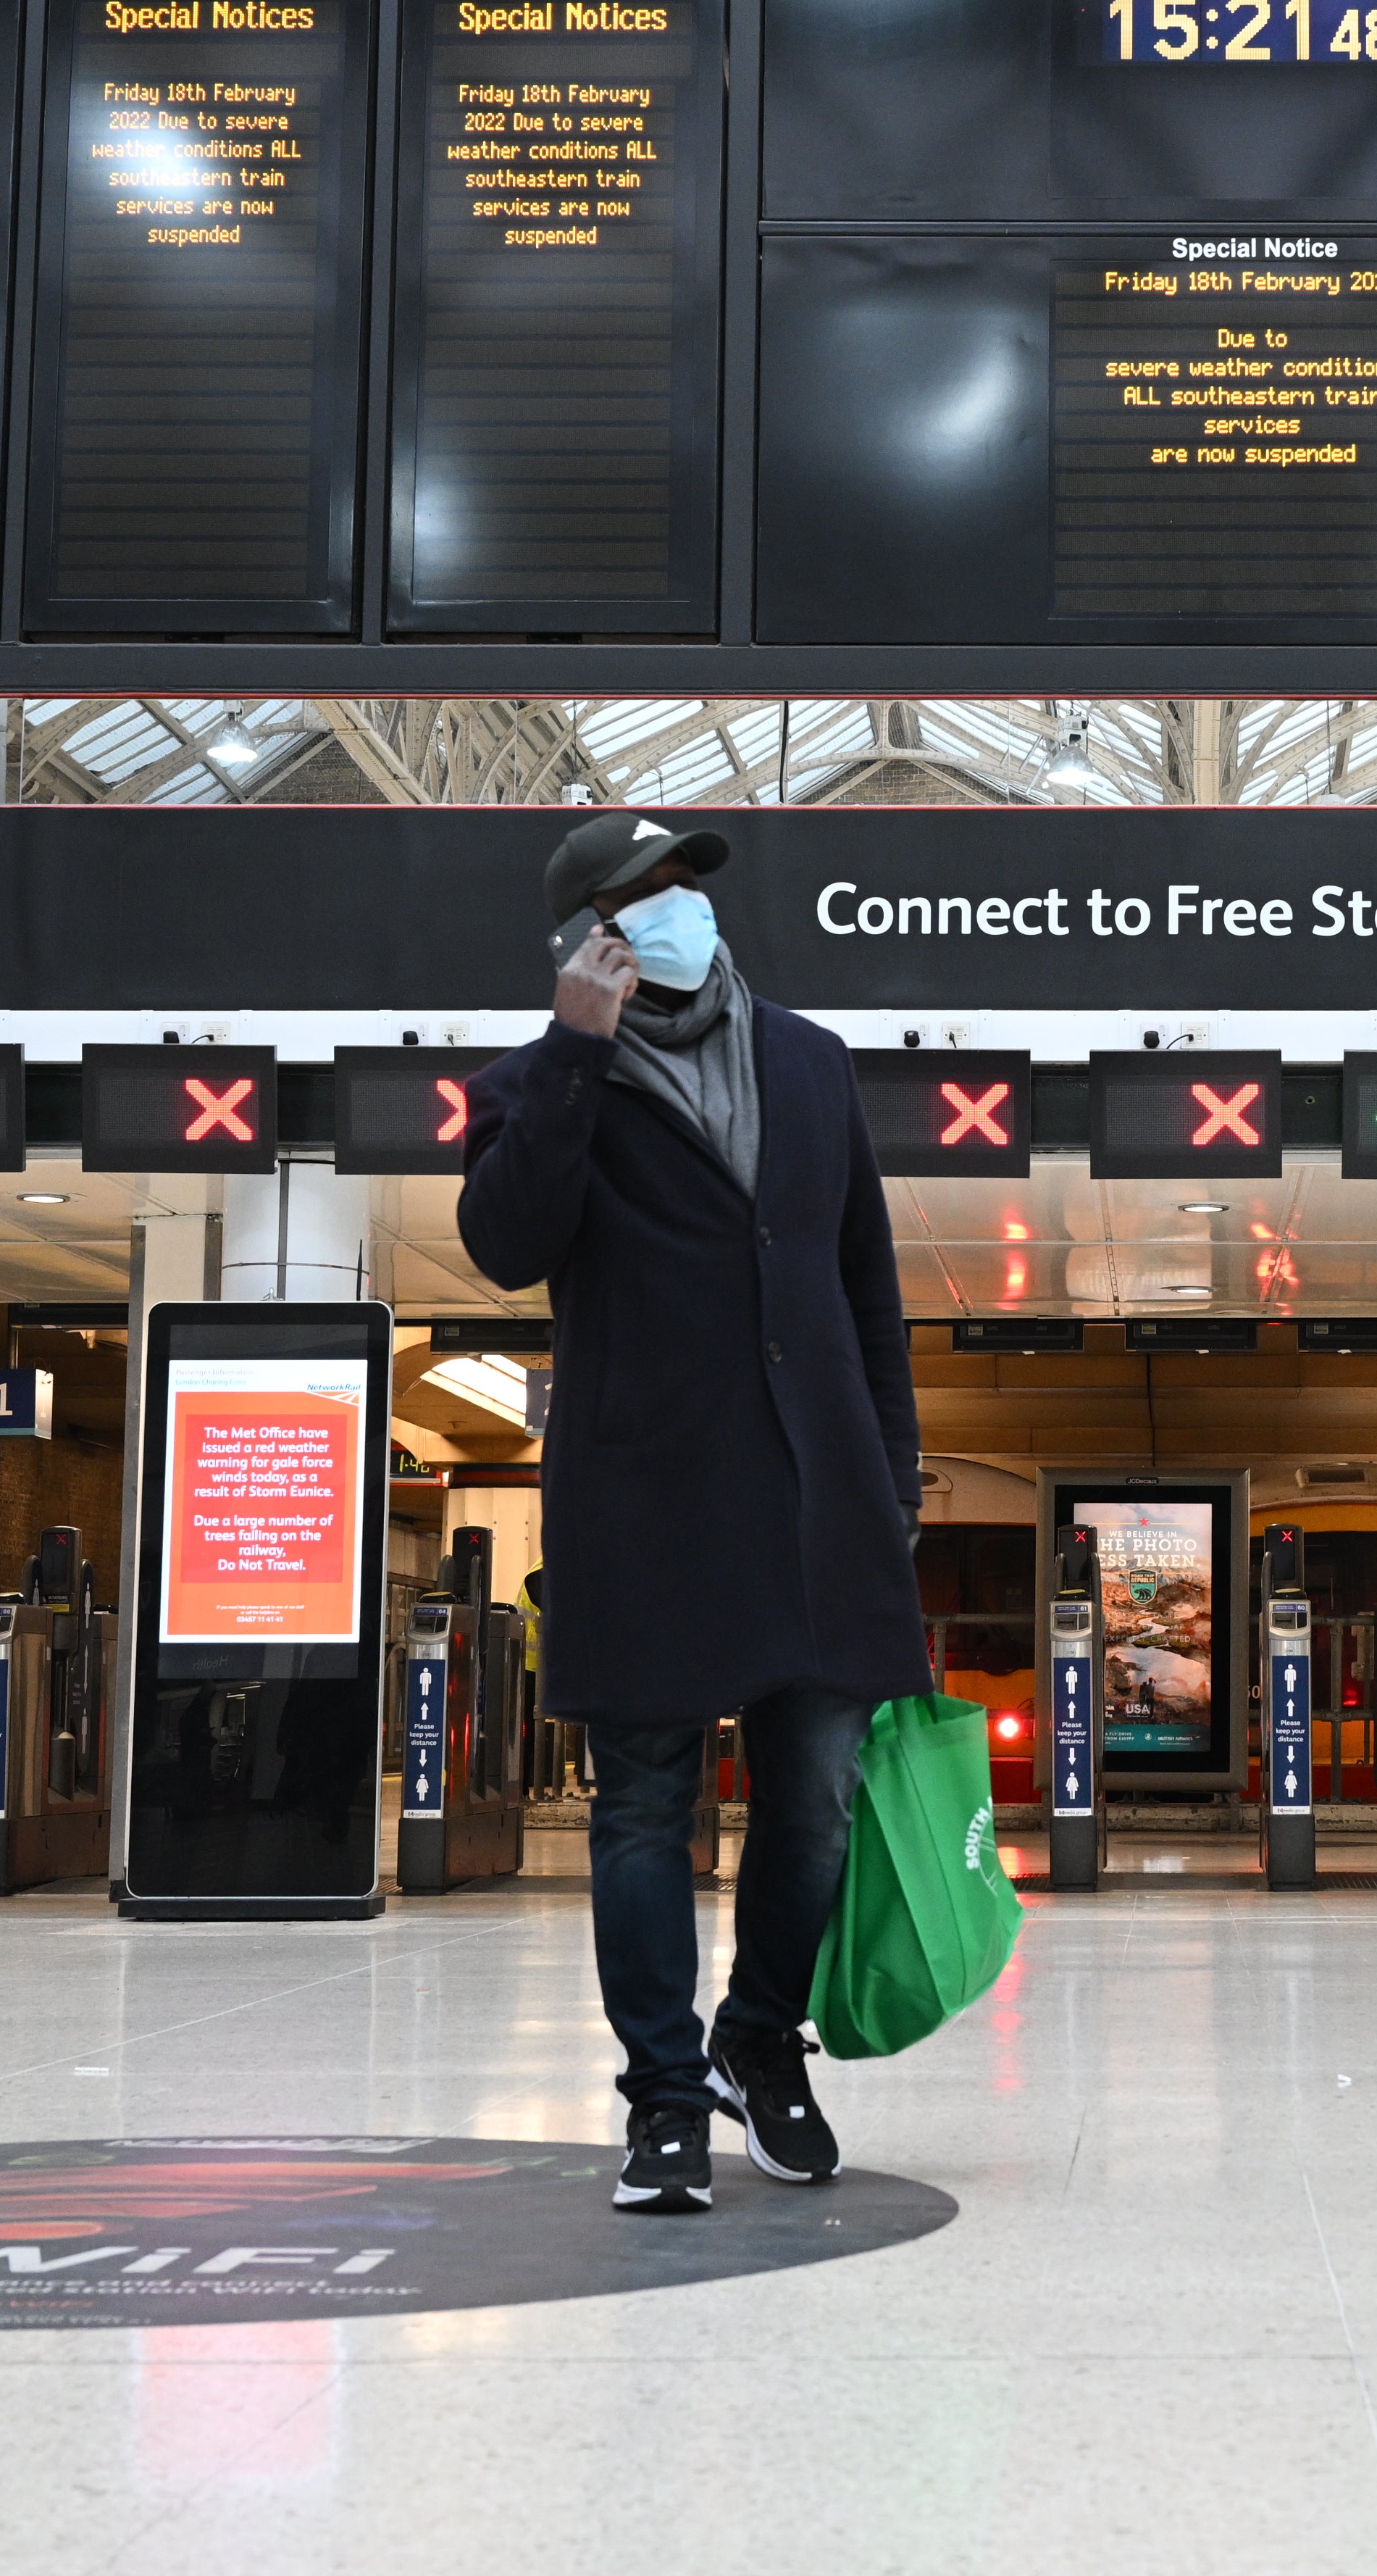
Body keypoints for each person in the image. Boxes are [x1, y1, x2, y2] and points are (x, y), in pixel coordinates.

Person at [458, 815, 929, 2214]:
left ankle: (760, 2042)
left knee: (816, 1813)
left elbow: (867, 1287)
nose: (681, 912)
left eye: (688, 889)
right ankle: (663, 2097)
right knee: (644, 1812)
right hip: (646, 1505)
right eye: (646, 896)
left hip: (814, 1500)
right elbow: (505, 1244)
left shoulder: (811, 1060)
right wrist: (576, 1053)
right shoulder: (536, 1084)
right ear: (588, 937)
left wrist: (892, 1475)